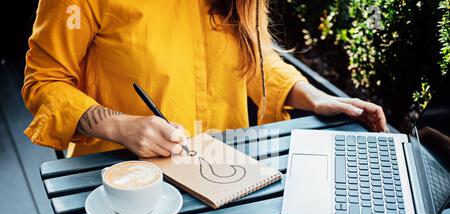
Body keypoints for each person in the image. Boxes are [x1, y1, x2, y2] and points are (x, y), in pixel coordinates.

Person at [22, 0, 388, 158]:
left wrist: (310, 95)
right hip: (127, 182)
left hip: (229, 169)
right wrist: (120, 126)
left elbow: (251, 57)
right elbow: (44, 81)